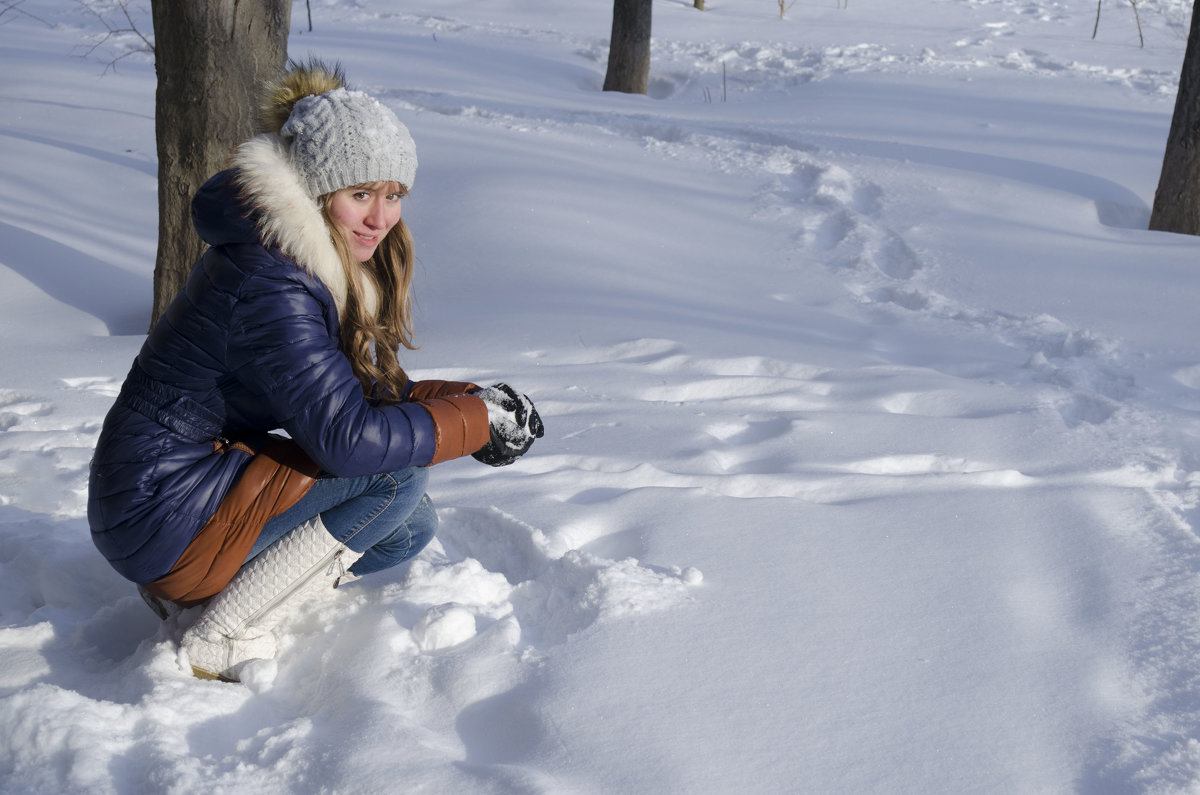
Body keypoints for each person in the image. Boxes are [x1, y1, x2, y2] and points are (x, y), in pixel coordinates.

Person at [87, 61, 544, 682]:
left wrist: (476, 402)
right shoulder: (273, 281)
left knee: (408, 529)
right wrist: (473, 423)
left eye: (394, 195)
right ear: (317, 191)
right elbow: (350, 441)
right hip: (158, 507)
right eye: (361, 194)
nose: (381, 219)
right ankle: (219, 634)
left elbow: (361, 399)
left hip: (180, 490)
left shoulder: (300, 265)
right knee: (390, 484)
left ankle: (210, 592)